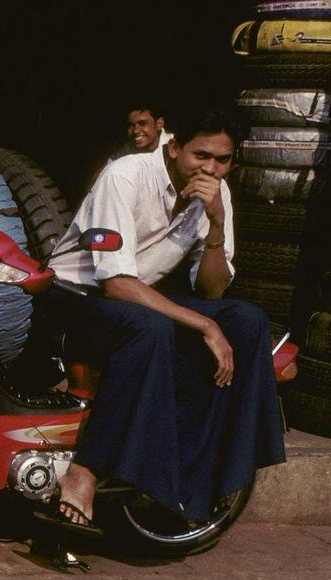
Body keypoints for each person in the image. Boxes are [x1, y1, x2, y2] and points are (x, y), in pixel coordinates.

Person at [44, 106, 286, 532]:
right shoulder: (126, 176)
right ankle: (85, 469)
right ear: (174, 148)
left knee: (247, 320)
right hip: (73, 296)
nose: (211, 168)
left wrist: (215, 225)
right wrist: (205, 325)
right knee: (150, 327)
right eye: (201, 155)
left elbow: (212, 290)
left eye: (223, 160)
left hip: (138, 297)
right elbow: (116, 283)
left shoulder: (217, 194)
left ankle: (193, 477)